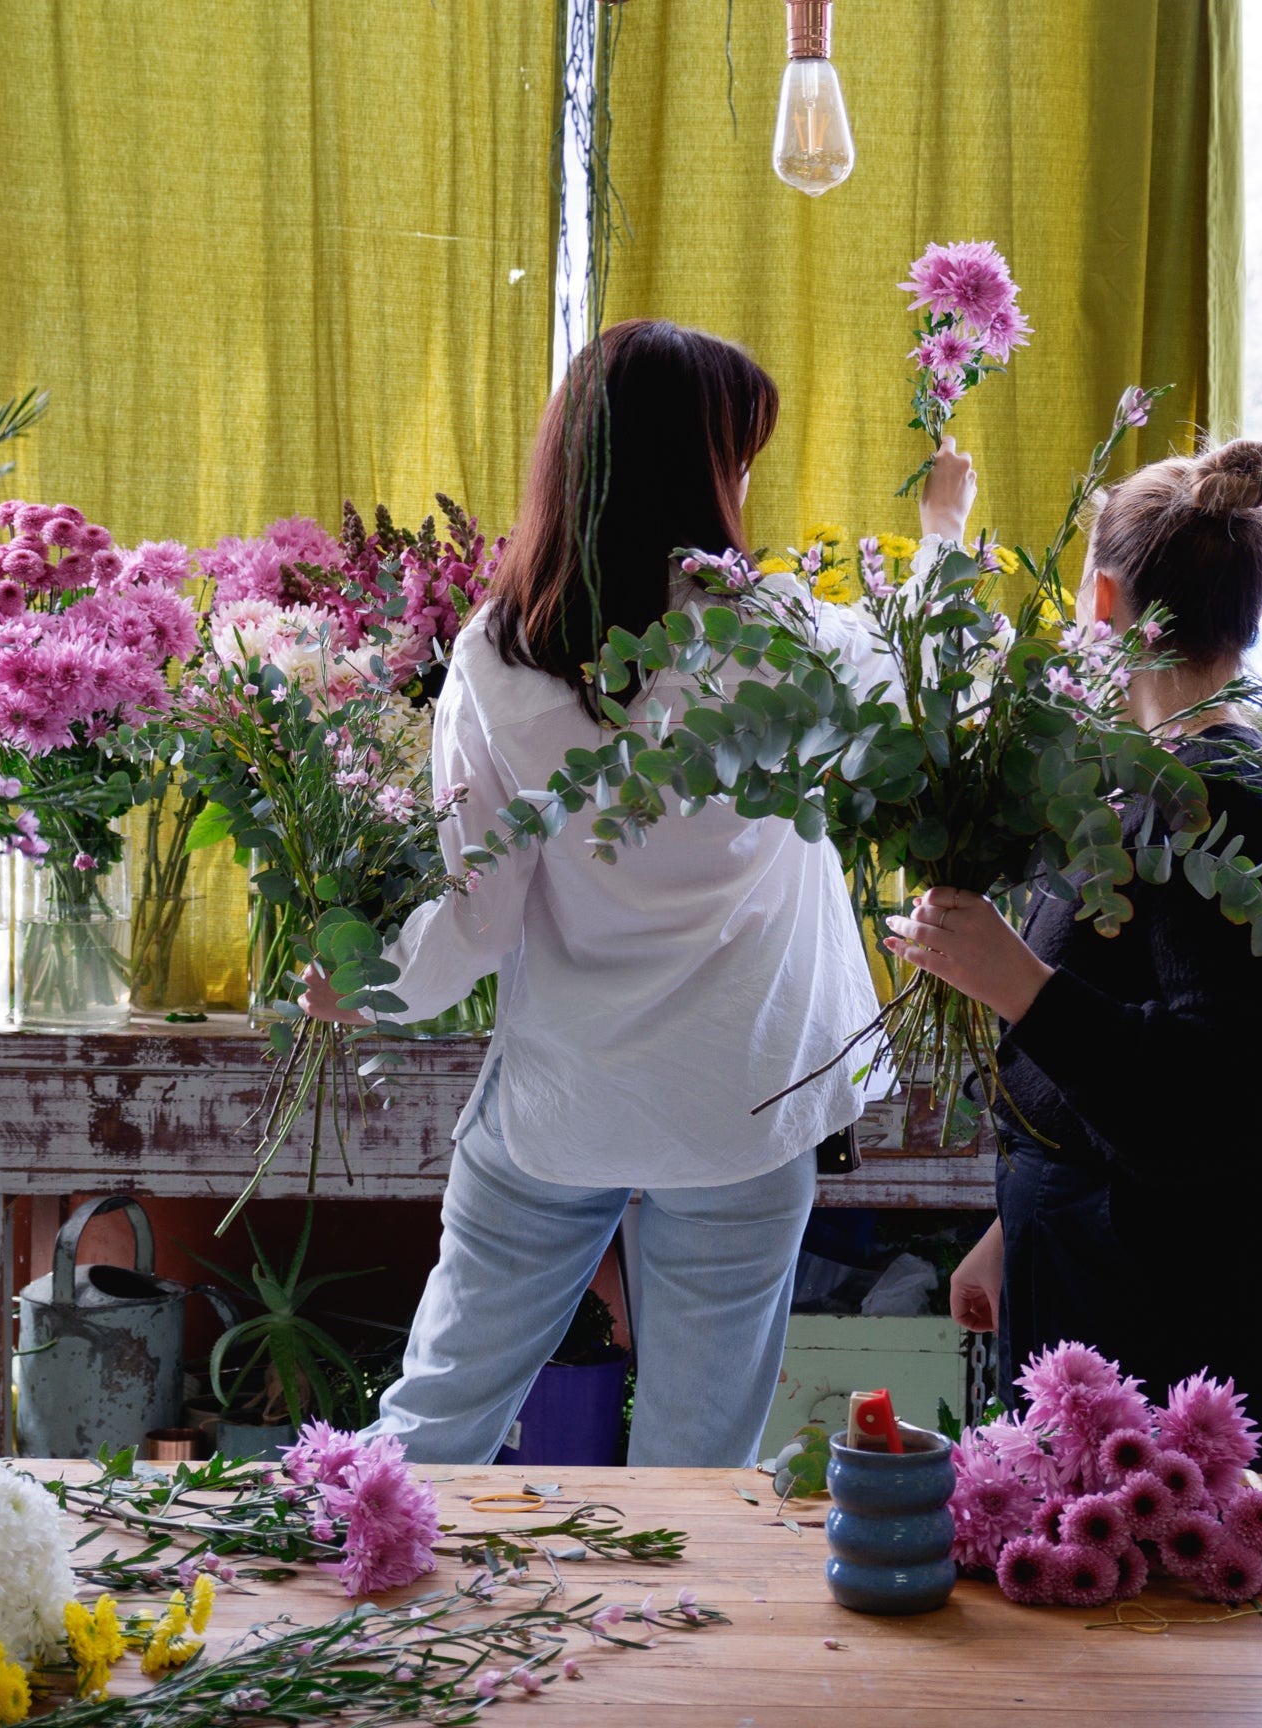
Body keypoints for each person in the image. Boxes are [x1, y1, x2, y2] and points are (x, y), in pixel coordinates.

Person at [303, 318, 978, 1467]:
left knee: (436, 1419)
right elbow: (932, 678)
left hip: (563, 1101)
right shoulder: (782, 641)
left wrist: (372, 990)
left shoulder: (501, 654)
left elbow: (477, 908)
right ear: (703, 474)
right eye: (740, 454)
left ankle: (348, 1593)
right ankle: (667, 1648)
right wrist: (944, 534)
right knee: (697, 1470)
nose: (750, 478)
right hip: (744, 1100)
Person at [888, 439, 1262, 1470]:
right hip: (1094, 1269)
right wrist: (1016, 1230)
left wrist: (1017, 984)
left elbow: (1227, 1092)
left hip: (1176, 1312)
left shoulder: (1218, 805)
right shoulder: (1150, 778)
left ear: (1101, 600)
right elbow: (1116, 1079)